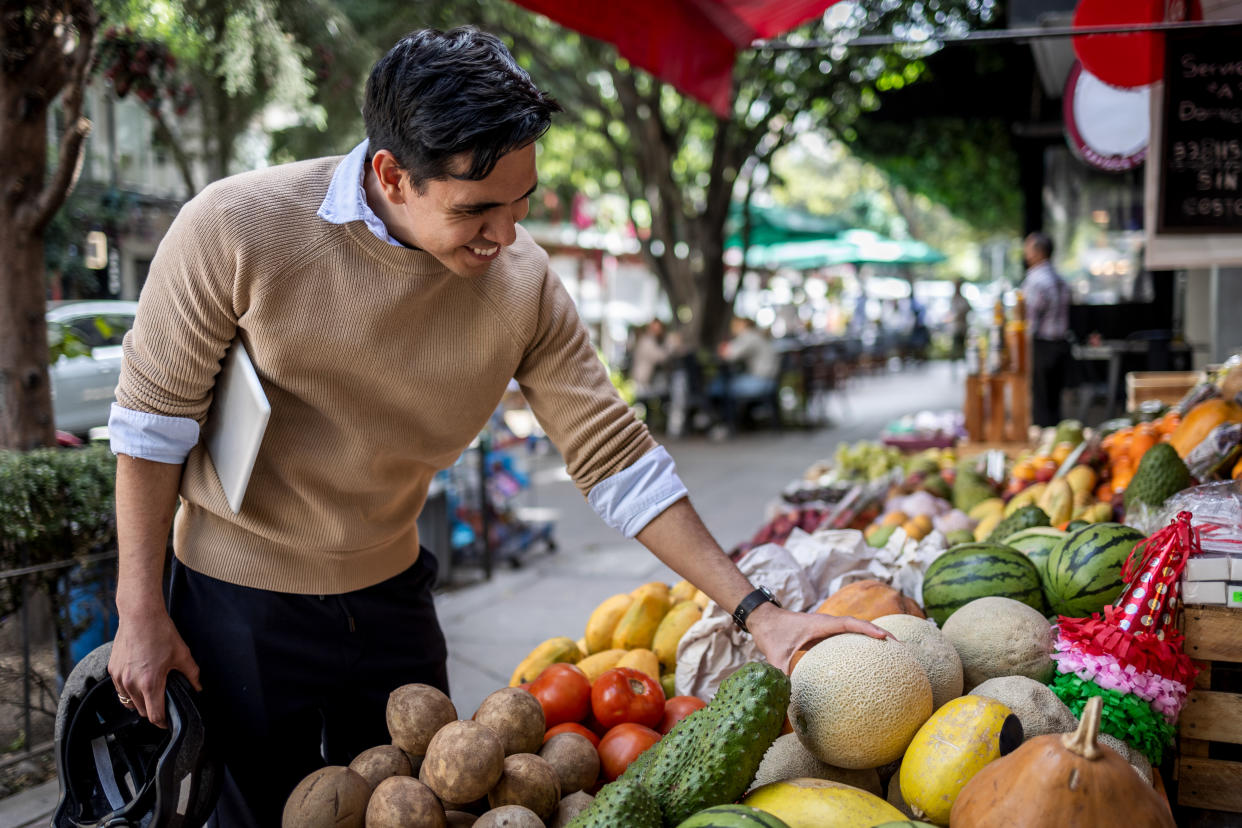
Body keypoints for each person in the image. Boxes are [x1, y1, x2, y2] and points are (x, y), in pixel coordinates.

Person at [104, 28, 887, 825]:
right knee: (257, 815)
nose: (505, 235)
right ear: (391, 175)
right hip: (238, 601)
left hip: (391, 598)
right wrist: (140, 613)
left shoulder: (523, 282)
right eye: (477, 209)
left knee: (430, 808)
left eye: (521, 204)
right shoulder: (235, 228)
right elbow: (149, 428)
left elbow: (615, 458)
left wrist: (760, 611)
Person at [1021, 231, 1071, 426]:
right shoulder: (1059, 279)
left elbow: (1029, 318)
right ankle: (1056, 440)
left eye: (1028, 248)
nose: (1025, 253)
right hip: (1061, 343)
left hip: (1042, 345)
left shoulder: (1036, 279)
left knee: (1041, 400)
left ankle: (1043, 445)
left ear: (1038, 252)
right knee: (1055, 399)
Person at [710, 316, 781, 436]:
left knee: (721, 386)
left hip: (761, 382)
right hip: (769, 380)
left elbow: (729, 354)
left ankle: (726, 424)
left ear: (742, 325)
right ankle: (736, 422)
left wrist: (722, 348)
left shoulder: (749, 336)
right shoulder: (757, 335)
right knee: (724, 384)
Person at [628, 318, 669, 397]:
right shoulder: (647, 341)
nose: (659, 330)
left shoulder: (649, 340)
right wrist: (671, 345)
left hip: (644, 379)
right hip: (643, 380)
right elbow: (660, 358)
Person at [948, 279, 971, 370]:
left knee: (963, 346)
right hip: (956, 327)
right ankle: (954, 367)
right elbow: (952, 313)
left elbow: (969, 309)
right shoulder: (953, 299)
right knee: (955, 347)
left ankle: (967, 367)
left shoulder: (963, 299)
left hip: (962, 327)